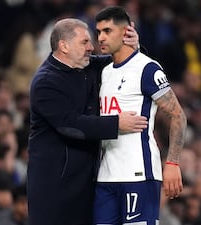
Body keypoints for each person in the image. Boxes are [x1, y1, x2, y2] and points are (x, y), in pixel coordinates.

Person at [28, 18, 147, 225]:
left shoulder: (88, 66)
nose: (92, 47)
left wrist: (133, 45)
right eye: (84, 42)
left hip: (86, 182)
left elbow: (123, 62)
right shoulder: (46, 81)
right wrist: (115, 124)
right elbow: (69, 124)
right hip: (54, 189)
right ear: (64, 46)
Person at [93, 6, 187, 225]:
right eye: (98, 32)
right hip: (105, 176)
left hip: (139, 173)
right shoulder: (104, 71)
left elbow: (178, 115)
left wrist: (172, 163)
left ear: (126, 32)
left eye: (107, 31)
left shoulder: (147, 69)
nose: (101, 37)